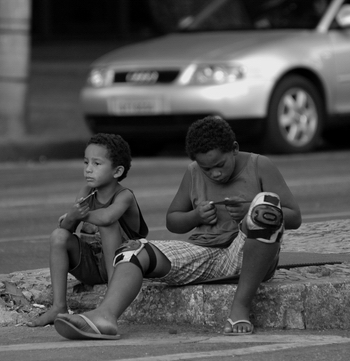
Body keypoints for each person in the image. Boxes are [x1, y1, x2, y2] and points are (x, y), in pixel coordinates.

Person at [54, 116, 301, 339]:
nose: (214, 174)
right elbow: (173, 221)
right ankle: (105, 317)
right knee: (134, 250)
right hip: (204, 254)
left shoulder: (260, 165)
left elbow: (294, 217)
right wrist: (195, 215)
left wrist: (249, 210)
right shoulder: (193, 172)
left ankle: (240, 308)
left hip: (247, 253)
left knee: (265, 208)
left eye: (220, 165)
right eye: (206, 168)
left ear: (234, 149)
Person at [27, 133, 148, 328]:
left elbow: (108, 217)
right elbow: (66, 229)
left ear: (117, 171)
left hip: (122, 268)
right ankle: (59, 306)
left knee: (108, 225)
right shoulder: (86, 193)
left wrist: (77, 215)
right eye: (86, 162)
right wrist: (71, 218)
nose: (88, 169)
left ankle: (110, 299)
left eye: (97, 164)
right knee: (58, 236)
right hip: (91, 265)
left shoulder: (124, 196)